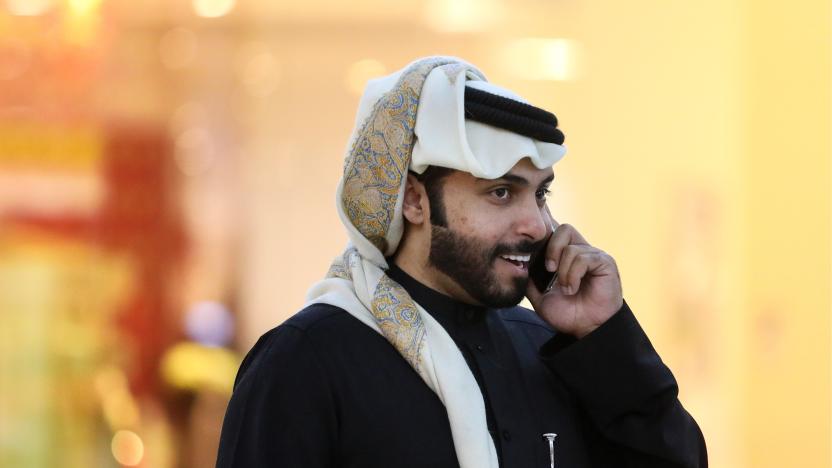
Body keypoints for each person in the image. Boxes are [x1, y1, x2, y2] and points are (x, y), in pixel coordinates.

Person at [216, 56, 707, 468]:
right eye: (500, 193)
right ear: (414, 200)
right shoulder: (307, 361)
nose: (536, 225)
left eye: (540, 194)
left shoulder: (550, 350)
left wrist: (607, 339)